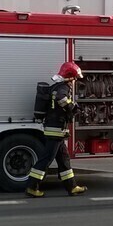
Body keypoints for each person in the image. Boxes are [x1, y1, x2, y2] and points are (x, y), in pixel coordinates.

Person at [26, 62, 88, 198]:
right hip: (56, 130)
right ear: (70, 77)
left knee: (64, 160)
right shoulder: (63, 88)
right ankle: (32, 186)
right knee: (46, 159)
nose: (75, 81)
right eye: (75, 78)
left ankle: (72, 187)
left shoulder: (56, 86)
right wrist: (73, 108)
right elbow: (61, 99)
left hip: (57, 130)